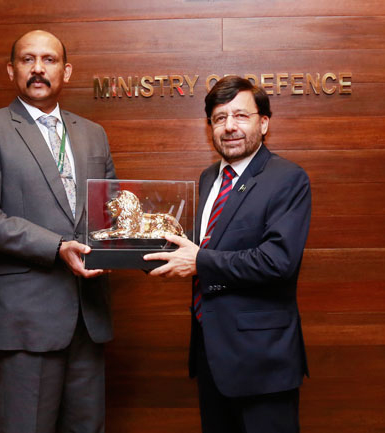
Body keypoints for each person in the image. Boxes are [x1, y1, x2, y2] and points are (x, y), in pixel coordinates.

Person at [0, 30, 115, 433]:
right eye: (28, 60)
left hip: (88, 316)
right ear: (12, 70)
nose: (39, 69)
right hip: (27, 319)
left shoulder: (92, 132)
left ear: (67, 70)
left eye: (49, 60)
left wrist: (125, 244)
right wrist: (57, 246)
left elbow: (108, 211)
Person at [145, 75, 311, 433]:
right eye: (219, 118)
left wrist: (199, 262)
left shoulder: (287, 178)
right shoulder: (209, 179)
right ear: (210, 129)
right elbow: (205, 246)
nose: (229, 126)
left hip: (263, 361)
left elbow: (278, 261)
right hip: (212, 355)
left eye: (241, 116)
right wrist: (131, 251)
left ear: (264, 123)